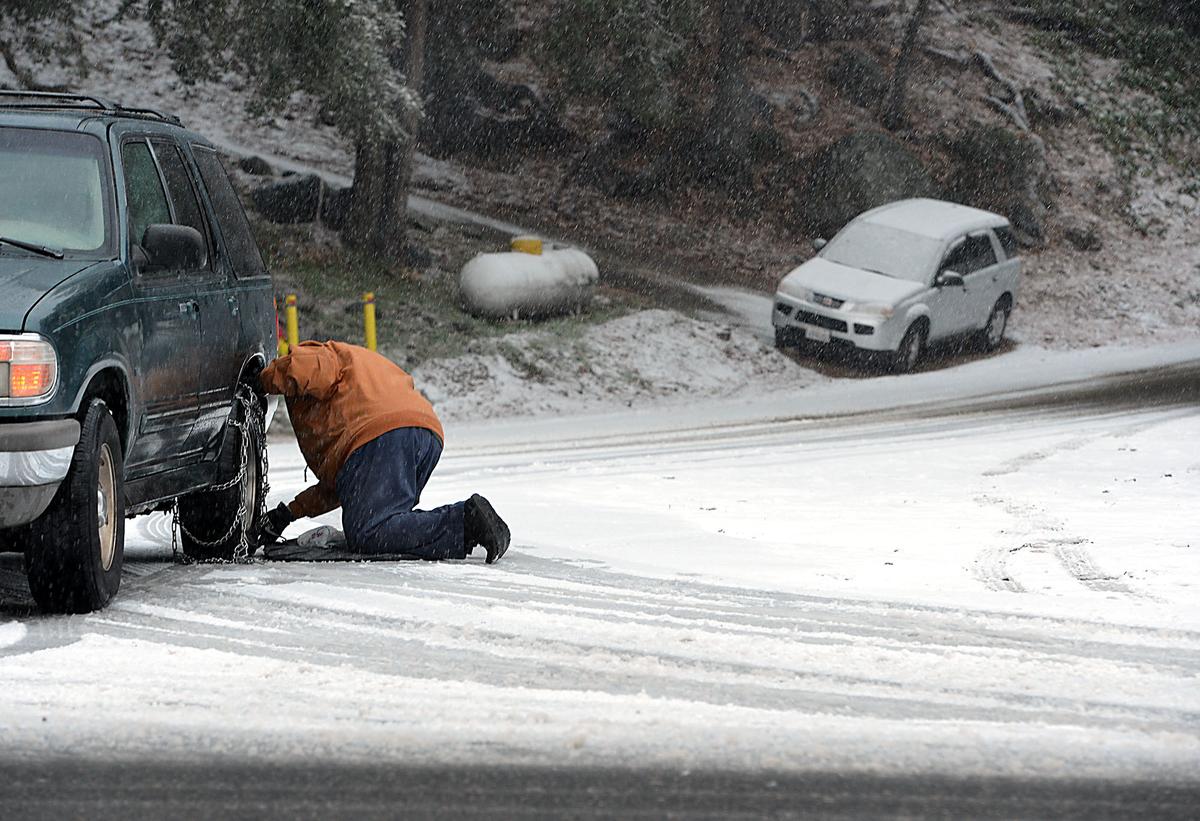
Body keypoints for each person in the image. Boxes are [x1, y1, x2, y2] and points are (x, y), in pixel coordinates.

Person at [257, 340, 510, 563]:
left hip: (381, 434)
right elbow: (348, 485)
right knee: (384, 524)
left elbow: (303, 367)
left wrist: (262, 380)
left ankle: (465, 521)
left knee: (370, 532)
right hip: (423, 433)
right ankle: (465, 524)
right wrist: (288, 513)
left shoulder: (321, 355)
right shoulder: (354, 384)